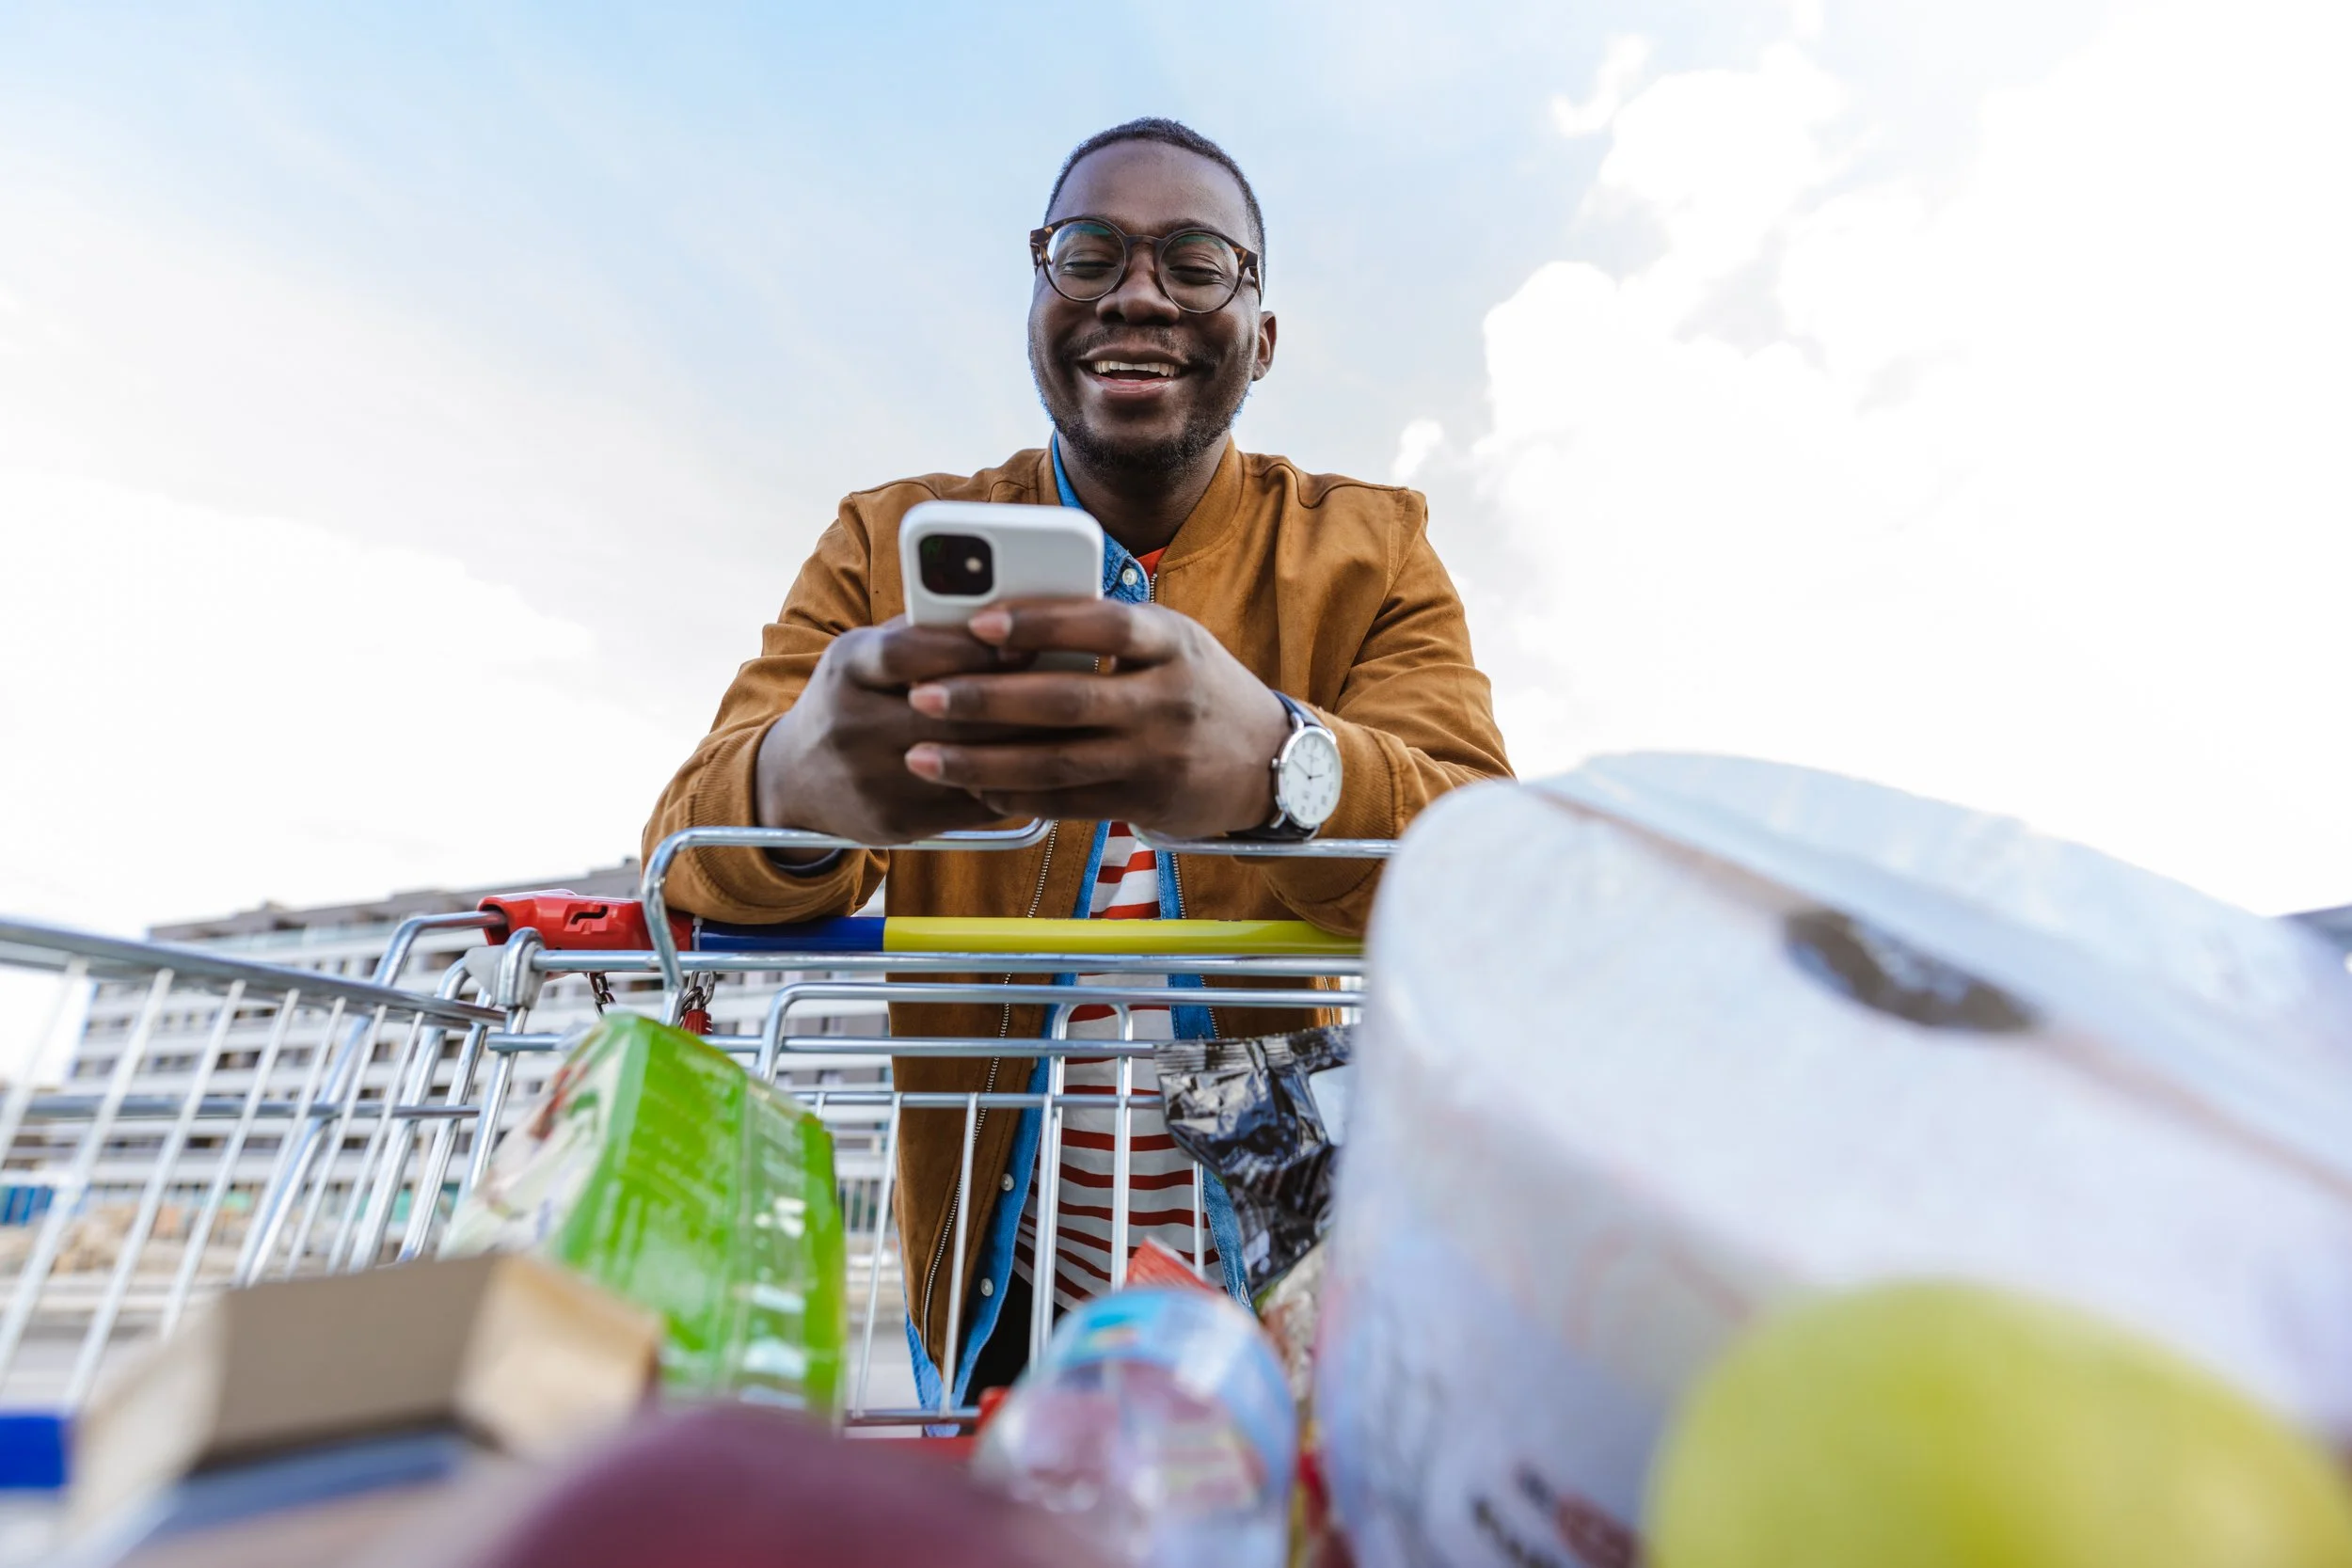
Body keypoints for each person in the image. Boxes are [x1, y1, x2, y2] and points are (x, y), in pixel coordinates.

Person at [643, 118, 1511, 1408]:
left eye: (1197, 261)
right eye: (1089, 252)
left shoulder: (1370, 550)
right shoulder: (885, 546)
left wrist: (1283, 767)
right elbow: (684, 854)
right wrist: (799, 784)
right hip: (998, 1306)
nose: (1138, 292)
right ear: (1039, 300)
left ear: (1261, 335)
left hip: (1285, 1294)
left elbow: (1482, 866)